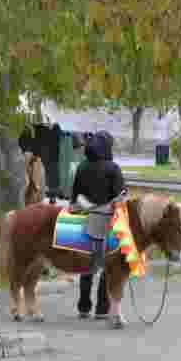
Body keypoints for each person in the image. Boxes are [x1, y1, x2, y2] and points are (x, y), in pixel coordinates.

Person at [70, 130, 126, 320]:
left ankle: (83, 306)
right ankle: (102, 308)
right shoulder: (113, 168)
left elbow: (75, 196)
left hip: (84, 221)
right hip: (107, 222)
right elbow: (120, 198)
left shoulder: (82, 167)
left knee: (88, 266)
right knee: (106, 267)